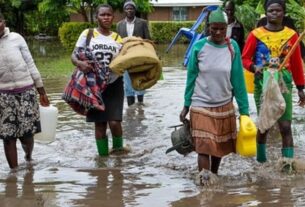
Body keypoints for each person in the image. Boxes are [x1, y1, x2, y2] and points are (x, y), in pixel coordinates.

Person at [179, 8, 249, 177]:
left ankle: (214, 178)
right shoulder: (198, 47)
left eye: (222, 28)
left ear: (227, 28)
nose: (218, 32)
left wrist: (244, 111)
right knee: (203, 147)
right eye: (214, 28)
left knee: (218, 147)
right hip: (201, 104)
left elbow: (238, 81)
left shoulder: (232, 48)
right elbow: (191, 79)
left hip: (223, 104)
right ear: (208, 27)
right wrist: (186, 106)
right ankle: (205, 185)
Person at [242, 0, 305, 167]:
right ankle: (261, 164)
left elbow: (297, 64)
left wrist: (300, 88)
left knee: (285, 126)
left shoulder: (292, 35)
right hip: (262, 84)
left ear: (283, 13)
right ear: (266, 13)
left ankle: (287, 166)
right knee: (264, 127)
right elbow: (245, 58)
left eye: (278, 11)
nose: (274, 14)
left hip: (284, 84)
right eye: (271, 11)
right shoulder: (255, 35)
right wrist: (254, 67)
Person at [71, 4, 124, 156]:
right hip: (93, 85)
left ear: (113, 17)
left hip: (114, 83)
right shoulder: (88, 34)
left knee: (114, 122)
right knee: (100, 124)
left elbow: (125, 60)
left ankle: (119, 153)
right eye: (103, 15)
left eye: (109, 15)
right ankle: (103, 159)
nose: (106, 17)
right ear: (97, 17)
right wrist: (80, 63)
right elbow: (73, 55)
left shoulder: (117, 38)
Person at [0, 13, 50, 170]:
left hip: (26, 91)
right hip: (3, 95)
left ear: (3, 22)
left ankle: (28, 156)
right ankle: (14, 174)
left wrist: (41, 90)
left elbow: (30, 62)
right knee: (8, 137)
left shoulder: (16, 38)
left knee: (27, 134)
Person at [116, 0, 151, 106]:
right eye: (127, 8)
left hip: (140, 57)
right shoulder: (119, 25)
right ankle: (131, 109)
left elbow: (148, 39)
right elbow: (118, 42)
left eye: (131, 8)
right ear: (124, 10)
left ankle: (140, 107)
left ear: (135, 10)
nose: (129, 10)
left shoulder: (142, 23)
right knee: (127, 84)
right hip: (126, 57)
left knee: (140, 81)